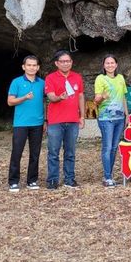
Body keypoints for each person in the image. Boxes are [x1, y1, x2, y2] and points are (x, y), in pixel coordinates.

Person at [44, 50, 85, 190]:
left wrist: (82, 116)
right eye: (63, 61)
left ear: (71, 62)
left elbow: (80, 96)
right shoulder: (50, 78)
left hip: (73, 120)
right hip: (55, 121)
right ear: (57, 63)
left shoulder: (77, 77)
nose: (66, 63)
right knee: (53, 152)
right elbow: (50, 96)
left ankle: (69, 179)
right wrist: (59, 97)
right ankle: (53, 180)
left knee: (70, 152)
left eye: (68, 61)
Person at [7, 55, 45, 192]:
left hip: (38, 123)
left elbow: (46, 101)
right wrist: (24, 97)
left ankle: (32, 180)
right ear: (24, 67)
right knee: (17, 152)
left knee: (35, 153)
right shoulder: (16, 82)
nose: (32, 67)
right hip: (21, 123)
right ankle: (13, 181)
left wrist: (45, 120)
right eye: (29, 65)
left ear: (38, 67)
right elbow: (10, 101)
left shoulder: (42, 83)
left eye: (34, 65)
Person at [94, 54, 128, 187]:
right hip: (106, 118)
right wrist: (102, 96)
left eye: (112, 63)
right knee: (107, 147)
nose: (110, 65)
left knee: (114, 148)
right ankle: (107, 177)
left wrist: (127, 114)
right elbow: (96, 100)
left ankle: (109, 175)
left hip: (120, 118)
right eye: (107, 63)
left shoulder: (120, 78)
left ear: (116, 64)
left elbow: (123, 98)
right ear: (103, 65)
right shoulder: (100, 79)